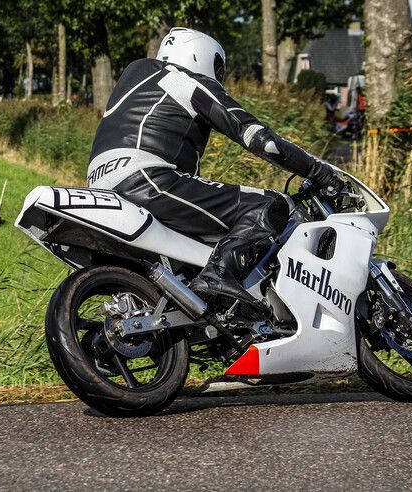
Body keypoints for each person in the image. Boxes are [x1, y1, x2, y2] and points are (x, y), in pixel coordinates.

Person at [86, 28, 342, 306]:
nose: (219, 77)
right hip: (147, 178)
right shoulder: (185, 80)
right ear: (202, 55)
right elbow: (260, 139)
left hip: (101, 183)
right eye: (219, 68)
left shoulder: (136, 78)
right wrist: (319, 171)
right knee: (271, 204)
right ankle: (218, 276)